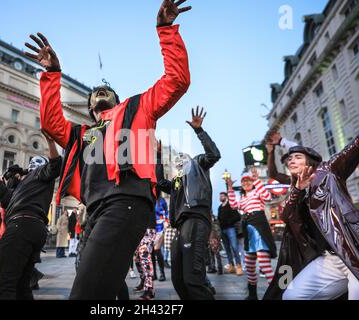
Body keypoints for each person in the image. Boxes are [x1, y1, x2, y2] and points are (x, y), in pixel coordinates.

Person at [25, 0, 192, 300]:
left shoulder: (138, 108)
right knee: (109, 285)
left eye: (106, 92)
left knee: (85, 291)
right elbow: (51, 123)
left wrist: (166, 30)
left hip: (127, 202)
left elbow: (177, 80)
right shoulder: (82, 133)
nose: (99, 94)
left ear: (116, 99)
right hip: (96, 211)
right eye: (94, 94)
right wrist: (52, 73)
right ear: (89, 108)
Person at [264, 134, 359, 300]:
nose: (291, 161)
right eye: (289, 159)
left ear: (309, 161)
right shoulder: (295, 188)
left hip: (354, 253)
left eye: (297, 157)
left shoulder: (329, 171)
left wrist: (281, 141)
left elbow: (356, 144)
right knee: (291, 296)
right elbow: (285, 216)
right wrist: (297, 189)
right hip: (329, 259)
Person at [0, 130, 61, 300]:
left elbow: (54, 166)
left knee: (4, 284)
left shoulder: (39, 175)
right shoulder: (24, 186)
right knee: (22, 285)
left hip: (21, 226)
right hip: (32, 228)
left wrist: (51, 143)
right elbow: (3, 196)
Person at [156, 107, 221, 300]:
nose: (179, 161)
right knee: (178, 279)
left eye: (183, 158)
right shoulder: (177, 182)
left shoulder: (199, 165)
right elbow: (160, 183)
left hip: (195, 220)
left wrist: (199, 131)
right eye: (177, 161)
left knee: (193, 279)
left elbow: (214, 154)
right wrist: (158, 157)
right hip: (181, 226)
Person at [226, 168, 277, 300]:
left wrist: (257, 180)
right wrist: (230, 187)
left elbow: (267, 197)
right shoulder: (243, 198)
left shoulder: (256, 192)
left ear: (252, 182)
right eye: (243, 182)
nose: (246, 183)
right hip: (248, 229)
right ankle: (252, 295)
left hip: (258, 226)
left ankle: (277, 295)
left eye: (248, 180)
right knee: (249, 265)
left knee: (264, 263)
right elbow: (233, 205)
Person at [217, 192, 243, 276]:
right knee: (227, 249)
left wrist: (229, 221)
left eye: (222, 196)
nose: (221, 197)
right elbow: (219, 219)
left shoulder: (231, 205)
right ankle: (231, 266)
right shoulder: (220, 207)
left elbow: (238, 217)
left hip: (230, 229)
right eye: (220, 196)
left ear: (226, 197)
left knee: (234, 248)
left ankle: (239, 266)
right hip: (223, 230)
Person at [152, 193, 168, 282]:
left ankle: (162, 273)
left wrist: (166, 221)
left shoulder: (162, 200)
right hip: (150, 227)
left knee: (157, 250)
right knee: (151, 252)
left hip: (160, 227)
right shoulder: (150, 198)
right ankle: (154, 274)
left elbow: (166, 211)